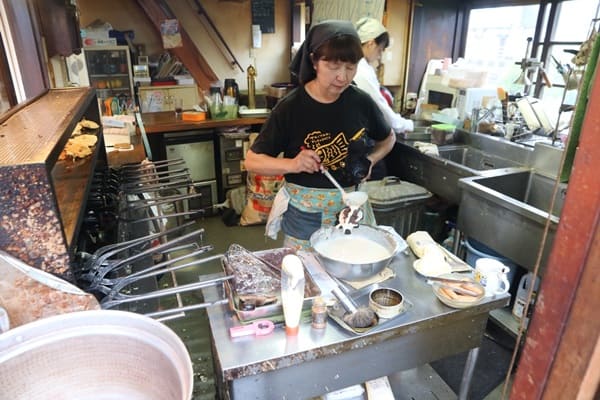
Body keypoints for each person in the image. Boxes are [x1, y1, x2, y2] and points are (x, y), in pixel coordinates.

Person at [244, 20, 395, 250]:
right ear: (314, 61)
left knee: (352, 267)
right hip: (305, 215)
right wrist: (293, 164)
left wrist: (371, 160)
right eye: (333, 66)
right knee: (307, 276)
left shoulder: (360, 102)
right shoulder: (291, 107)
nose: (342, 77)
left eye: (350, 66)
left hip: (352, 209)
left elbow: (388, 138)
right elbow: (252, 161)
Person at [354, 17, 414, 133]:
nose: (379, 56)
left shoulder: (361, 64)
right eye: (380, 50)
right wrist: (406, 125)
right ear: (371, 43)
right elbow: (380, 108)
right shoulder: (361, 69)